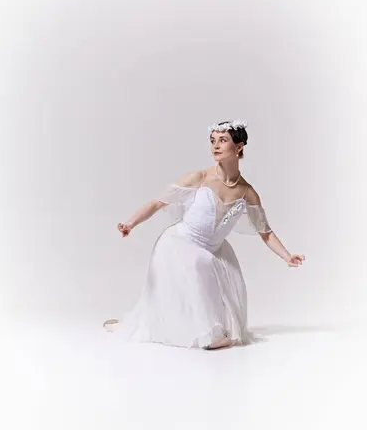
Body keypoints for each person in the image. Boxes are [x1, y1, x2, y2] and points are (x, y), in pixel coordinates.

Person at [103, 119, 305, 350]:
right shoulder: (199, 177)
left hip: (214, 249)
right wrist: (130, 223)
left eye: (223, 140)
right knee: (203, 262)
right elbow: (158, 202)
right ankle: (205, 334)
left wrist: (288, 256)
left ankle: (221, 333)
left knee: (218, 266)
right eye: (212, 141)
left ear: (239, 147)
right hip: (179, 244)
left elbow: (266, 233)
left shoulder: (248, 192)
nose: (215, 146)